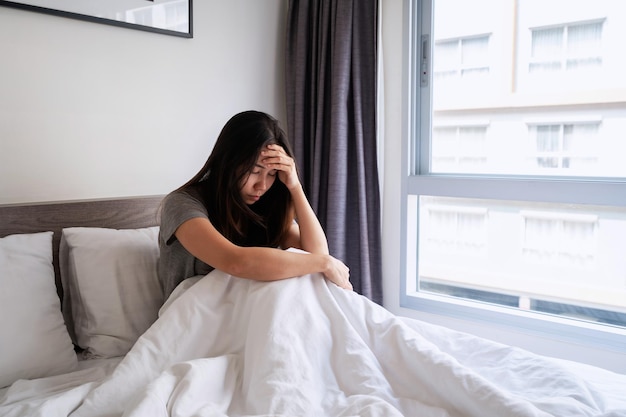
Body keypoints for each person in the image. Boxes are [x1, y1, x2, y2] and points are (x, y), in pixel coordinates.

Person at [158, 110, 352, 299]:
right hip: (194, 315)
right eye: (254, 171)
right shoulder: (181, 204)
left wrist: (295, 186)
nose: (262, 185)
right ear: (229, 163)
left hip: (248, 309)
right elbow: (234, 262)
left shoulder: (266, 207)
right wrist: (326, 263)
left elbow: (314, 254)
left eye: (272, 174)